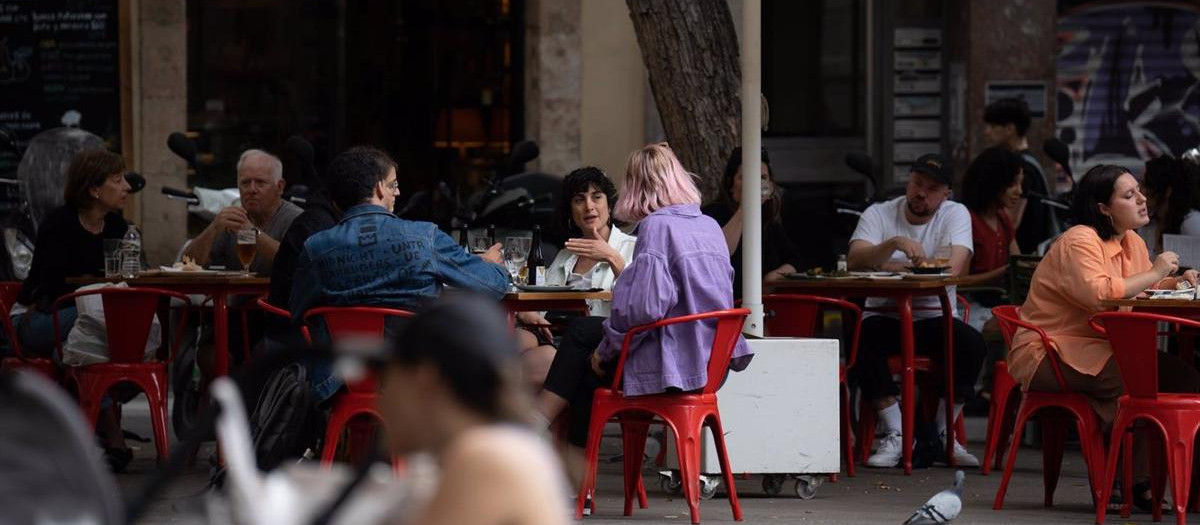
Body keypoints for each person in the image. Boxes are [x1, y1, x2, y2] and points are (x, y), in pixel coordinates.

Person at [535, 143, 752, 487]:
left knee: (582, 354)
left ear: (637, 186)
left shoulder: (656, 227)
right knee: (583, 347)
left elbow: (643, 309)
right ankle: (573, 479)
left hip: (675, 363)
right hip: (711, 362)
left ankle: (559, 459)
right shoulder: (709, 225)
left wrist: (605, 351)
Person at [1008, 164, 1200, 510]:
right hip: (1051, 352)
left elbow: (1146, 288)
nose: (1142, 200)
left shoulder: (1132, 241)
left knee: (1185, 378)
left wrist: (1178, 281)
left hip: (1099, 350)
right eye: (1129, 195)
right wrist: (1157, 271)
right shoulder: (1079, 240)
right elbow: (1100, 295)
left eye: (1139, 191)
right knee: (1142, 380)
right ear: (1103, 209)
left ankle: (1184, 490)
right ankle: (1128, 481)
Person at [290, 146, 511, 402]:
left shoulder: (315, 247)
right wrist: (494, 264)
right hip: (417, 374)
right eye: (393, 185)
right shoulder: (423, 236)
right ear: (379, 188)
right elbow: (492, 287)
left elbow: (298, 311)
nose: (398, 192)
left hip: (340, 381)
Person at [846, 153, 986, 468]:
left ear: (946, 194)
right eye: (917, 183)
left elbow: (954, 267)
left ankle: (941, 431)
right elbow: (855, 259)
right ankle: (896, 431)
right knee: (860, 339)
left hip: (934, 317)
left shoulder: (955, 214)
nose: (921, 193)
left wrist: (889, 265)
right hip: (886, 316)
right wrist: (894, 242)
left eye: (932, 188)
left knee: (972, 345)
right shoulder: (879, 213)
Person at [375, 297, 568, 525]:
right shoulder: (489, 446)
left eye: (387, 379)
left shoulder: (483, 456)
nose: (382, 402)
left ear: (425, 379)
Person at [11, 149, 135, 471]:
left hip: (78, 325)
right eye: (118, 180)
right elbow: (51, 290)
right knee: (99, 324)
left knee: (75, 349)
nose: (127, 187)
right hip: (37, 318)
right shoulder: (59, 225)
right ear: (94, 189)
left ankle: (107, 438)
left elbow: (130, 275)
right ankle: (110, 434)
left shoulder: (118, 227)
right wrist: (95, 289)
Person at [515, 167, 636, 387]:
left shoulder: (632, 248)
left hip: (592, 341)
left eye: (596, 197)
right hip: (552, 332)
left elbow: (638, 303)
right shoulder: (566, 254)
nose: (589, 206)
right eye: (579, 199)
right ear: (571, 211)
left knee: (527, 365)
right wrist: (528, 313)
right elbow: (541, 300)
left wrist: (611, 257)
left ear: (609, 205)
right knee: (512, 343)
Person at [183, 149, 303, 274]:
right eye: (245, 183)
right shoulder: (233, 219)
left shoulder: (296, 218)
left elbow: (294, 262)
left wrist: (252, 232)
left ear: (279, 187)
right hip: (234, 292)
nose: (251, 189)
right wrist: (213, 228)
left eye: (260, 182)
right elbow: (188, 263)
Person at [702, 146, 802, 297]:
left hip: (764, 307)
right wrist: (745, 207)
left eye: (763, 178)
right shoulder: (713, 214)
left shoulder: (769, 218)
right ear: (731, 184)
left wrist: (773, 278)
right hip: (727, 305)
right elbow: (720, 252)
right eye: (747, 178)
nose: (756, 184)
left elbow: (795, 260)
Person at [957, 147, 1024, 326]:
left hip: (996, 304)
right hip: (968, 306)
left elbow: (1018, 260)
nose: (1020, 191)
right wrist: (1003, 272)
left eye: (1021, 184)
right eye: (1013, 184)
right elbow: (959, 282)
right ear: (994, 183)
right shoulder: (965, 219)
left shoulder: (1003, 218)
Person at [983, 97, 1054, 253]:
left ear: (1010, 129)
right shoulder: (1029, 162)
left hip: (1025, 257)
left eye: (993, 126)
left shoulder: (1023, 167)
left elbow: (1011, 221)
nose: (987, 132)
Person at [1139, 154, 1200, 255]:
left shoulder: (1192, 224)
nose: (1140, 191)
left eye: (1145, 184)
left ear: (1167, 191)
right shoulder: (1147, 224)